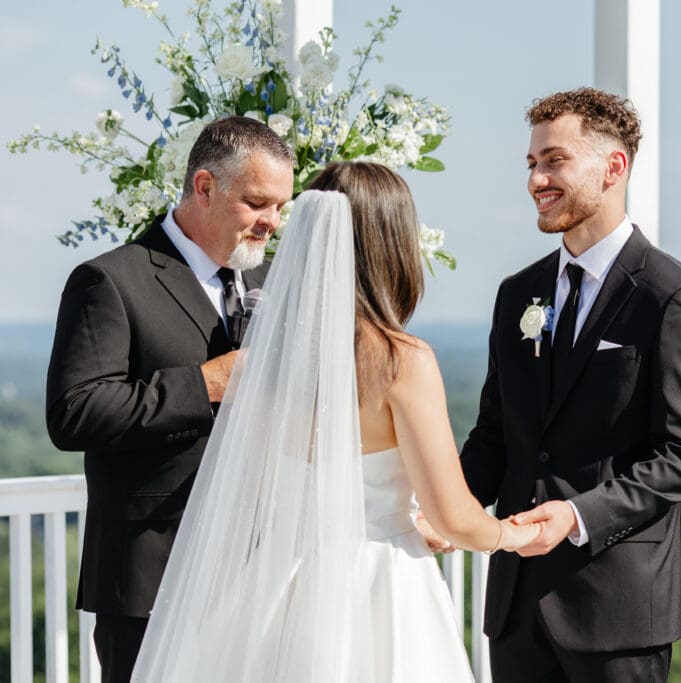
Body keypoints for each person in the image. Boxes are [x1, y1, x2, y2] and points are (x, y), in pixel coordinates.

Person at [130, 161, 540, 682]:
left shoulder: (265, 362)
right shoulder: (401, 360)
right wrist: (513, 536)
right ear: (390, 244)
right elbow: (454, 515)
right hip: (379, 585)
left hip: (279, 583)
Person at [459, 87, 681, 682]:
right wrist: (448, 509)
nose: (536, 179)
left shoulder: (675, 298)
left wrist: (575, 517)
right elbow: (497, 432)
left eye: (554, 160)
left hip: (619, 611)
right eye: (531, 163)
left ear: (613, 167)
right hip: (517, 607)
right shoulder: (516, 293)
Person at [46, 115, 296, 682]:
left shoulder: (272, 280)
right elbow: (74, 412)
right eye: (258, 203)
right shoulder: (110, 280)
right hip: (150, 579)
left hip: (260, 573)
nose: (271, 224)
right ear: (205, 187)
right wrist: (206, 384)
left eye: (280, 207)